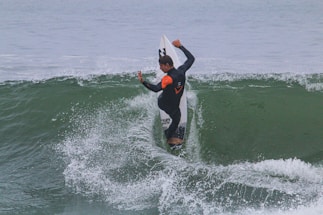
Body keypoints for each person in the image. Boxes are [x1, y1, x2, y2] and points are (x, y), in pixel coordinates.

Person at [137, 39, 195, 146]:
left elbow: (155, 89)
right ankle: (169, 136)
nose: (160, 68)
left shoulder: (167, 79)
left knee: (177, 119)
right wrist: (180, 46)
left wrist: (142, 81)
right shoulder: (181, 71)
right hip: (165, 104)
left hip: (168, 101)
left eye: (161, 66)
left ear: (167, 65)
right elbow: (191, 59)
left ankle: (168, 135)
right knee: (177, 118)